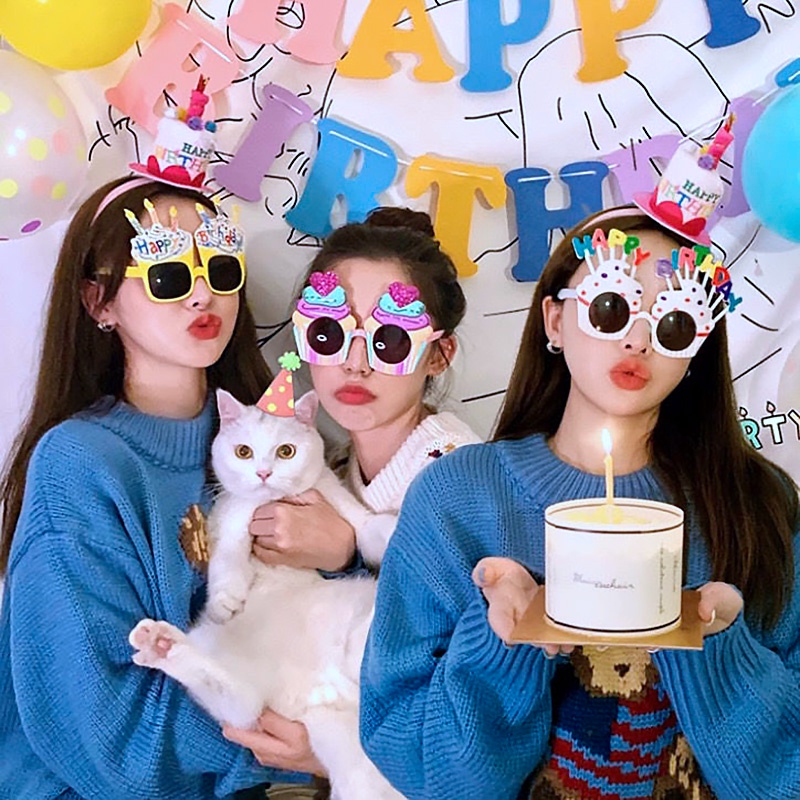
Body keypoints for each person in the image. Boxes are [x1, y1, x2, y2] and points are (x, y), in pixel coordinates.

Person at [359, 206, 800, 799]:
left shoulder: (758, 504)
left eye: (674, 323)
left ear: (697, 348)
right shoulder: (457, 499)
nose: (638, 339)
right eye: (611, 307)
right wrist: (500, 646)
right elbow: (421, 768)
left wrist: (721, 651)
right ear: (555, 319)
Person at [0, 176, 320, 799]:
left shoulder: (280, 446)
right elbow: (110, 737)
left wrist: (340, 549)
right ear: (99, 302)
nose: (203, 294)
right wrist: (306, 745)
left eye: (220, 267)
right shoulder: (79, 464)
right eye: (167, 273)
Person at [221, 207, 481, 793]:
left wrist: (349, 553)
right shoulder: (327, 469)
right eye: (329, 333)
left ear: (439, 354)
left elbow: (472, 667)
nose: (354, 363)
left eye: (390, 340)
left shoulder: (459, 472)